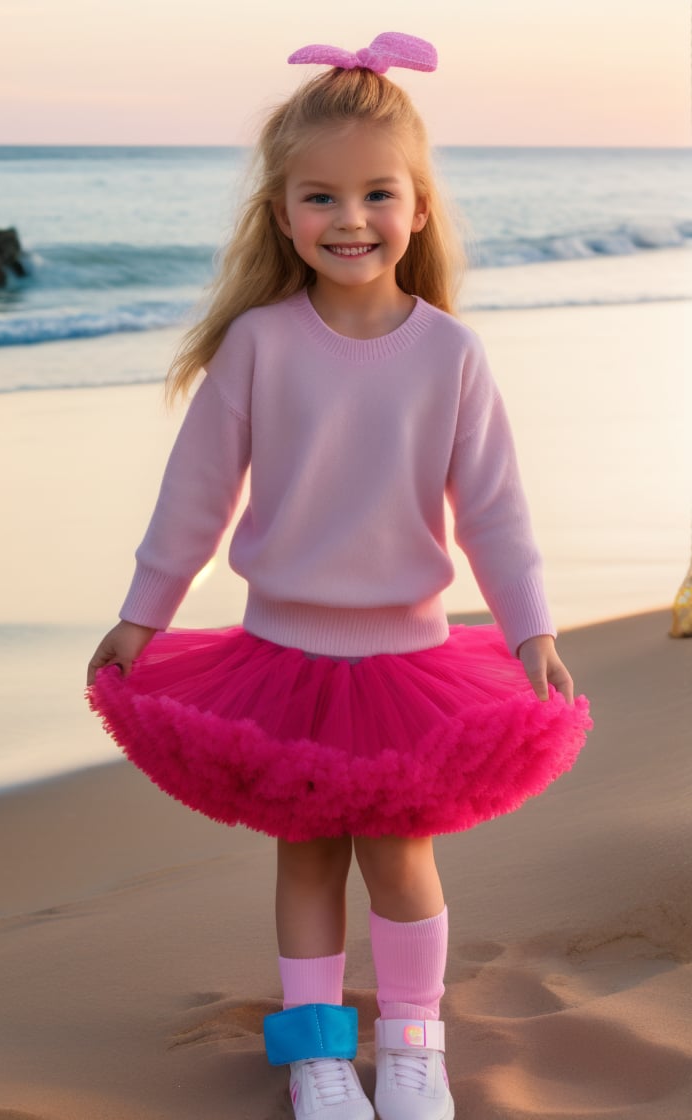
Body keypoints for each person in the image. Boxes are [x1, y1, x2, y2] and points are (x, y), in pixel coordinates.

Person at [86, 32, 591, 1120]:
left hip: (408, 657)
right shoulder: (260, 345)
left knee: (401, 854)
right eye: (319, 197)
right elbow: (195, 496)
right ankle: (317, 1054)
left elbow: (493, 509)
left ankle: (413, 1047)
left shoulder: (449, 353)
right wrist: (145, 614)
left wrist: (530, 630)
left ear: (416, 207)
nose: (349, 219)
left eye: (376, 194)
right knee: (307, 857)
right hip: (280, 658)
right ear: (281, 214)